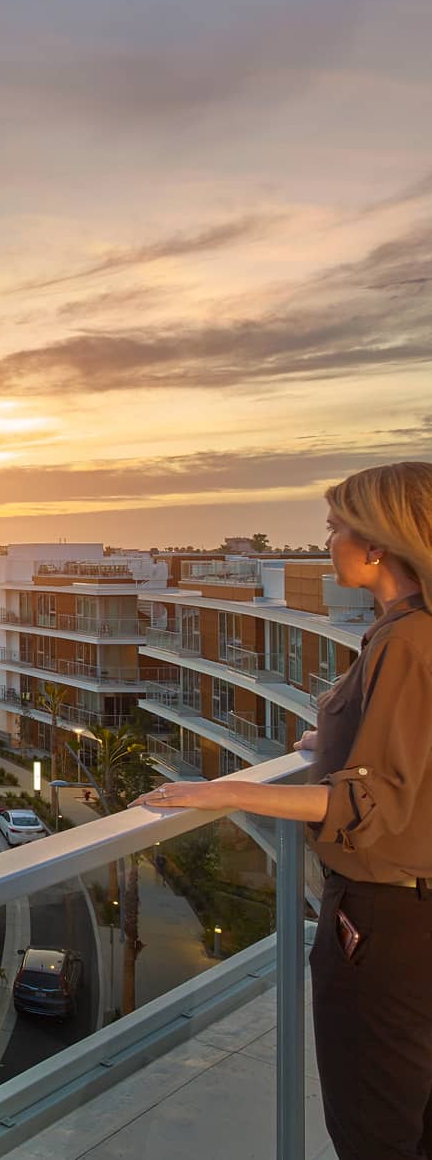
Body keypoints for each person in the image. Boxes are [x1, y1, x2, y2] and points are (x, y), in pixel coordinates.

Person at [136, 461, 432, 1159]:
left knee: (377, 1129)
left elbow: (370, 803)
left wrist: (226, 791)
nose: (326, 542)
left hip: (386, 923)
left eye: (335, 527)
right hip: (407, 918)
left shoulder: (407, 639)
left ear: (378, 543)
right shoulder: (411, 631)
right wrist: (334, 735)